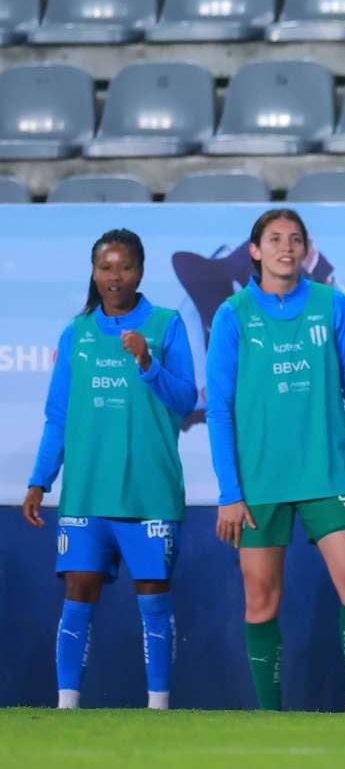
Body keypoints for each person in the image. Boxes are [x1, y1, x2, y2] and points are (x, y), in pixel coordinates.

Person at [206, 209, 345, 713]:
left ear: (307, 250)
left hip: (327, 472)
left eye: (296, 239)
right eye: (275, 239)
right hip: (258, 480)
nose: (287, 247)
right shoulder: (233, 313)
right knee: (260, 597)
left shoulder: (332, 305)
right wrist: (229, 493)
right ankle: (270, 715)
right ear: (255, 250)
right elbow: (219, 407)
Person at [23, 229, 197, 710]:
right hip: (85, 494)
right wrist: (40, 480)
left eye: (124, 267)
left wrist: (147, 361)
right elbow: (58, 416)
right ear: (94, 273)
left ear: (140, 271)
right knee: (77, 595)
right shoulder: (75, 333)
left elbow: (185, 401)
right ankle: (66, 706)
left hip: (149, 493)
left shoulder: (166, 325)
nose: (114, 277)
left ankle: (158, 707)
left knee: (154, 600)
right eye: (105, 268)